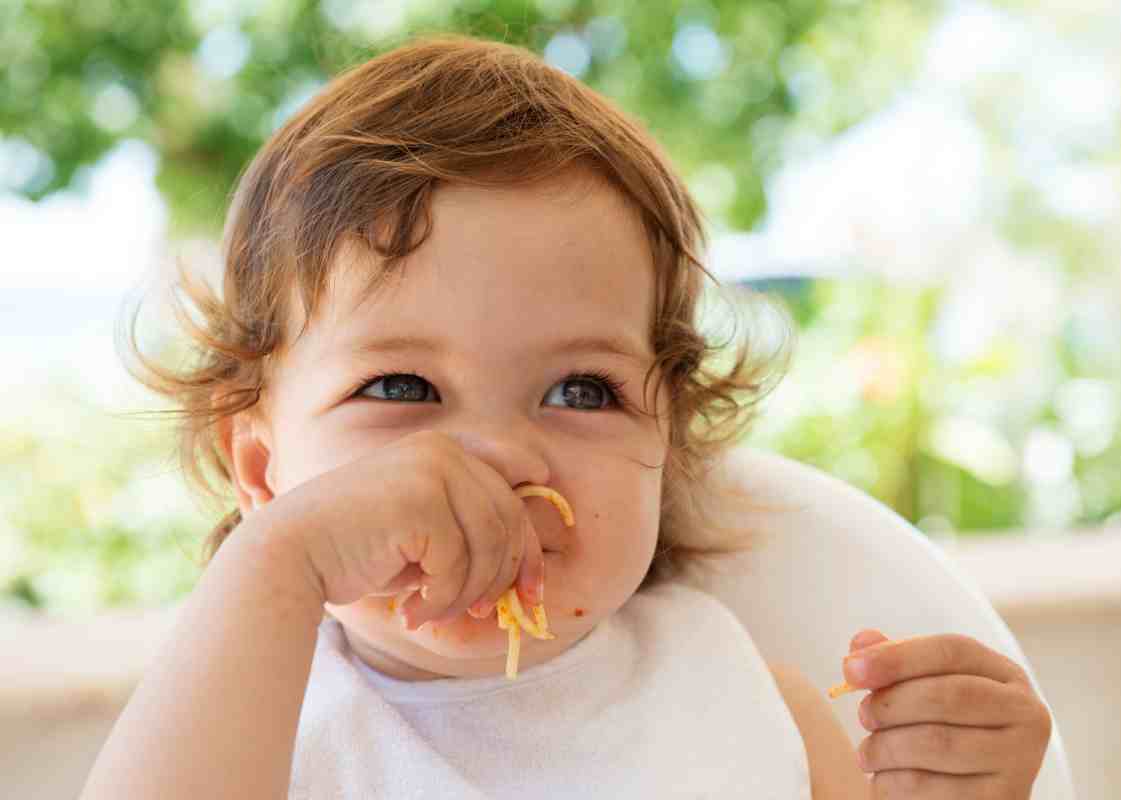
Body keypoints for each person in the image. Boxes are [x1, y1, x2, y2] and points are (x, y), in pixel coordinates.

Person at [82, 34, 1051, 799]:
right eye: (400, 388)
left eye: (582, 390)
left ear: (662, 440)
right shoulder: (243, 718)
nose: (499, 453)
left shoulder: (752, 703)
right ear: (261, 471)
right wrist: (278, 566)